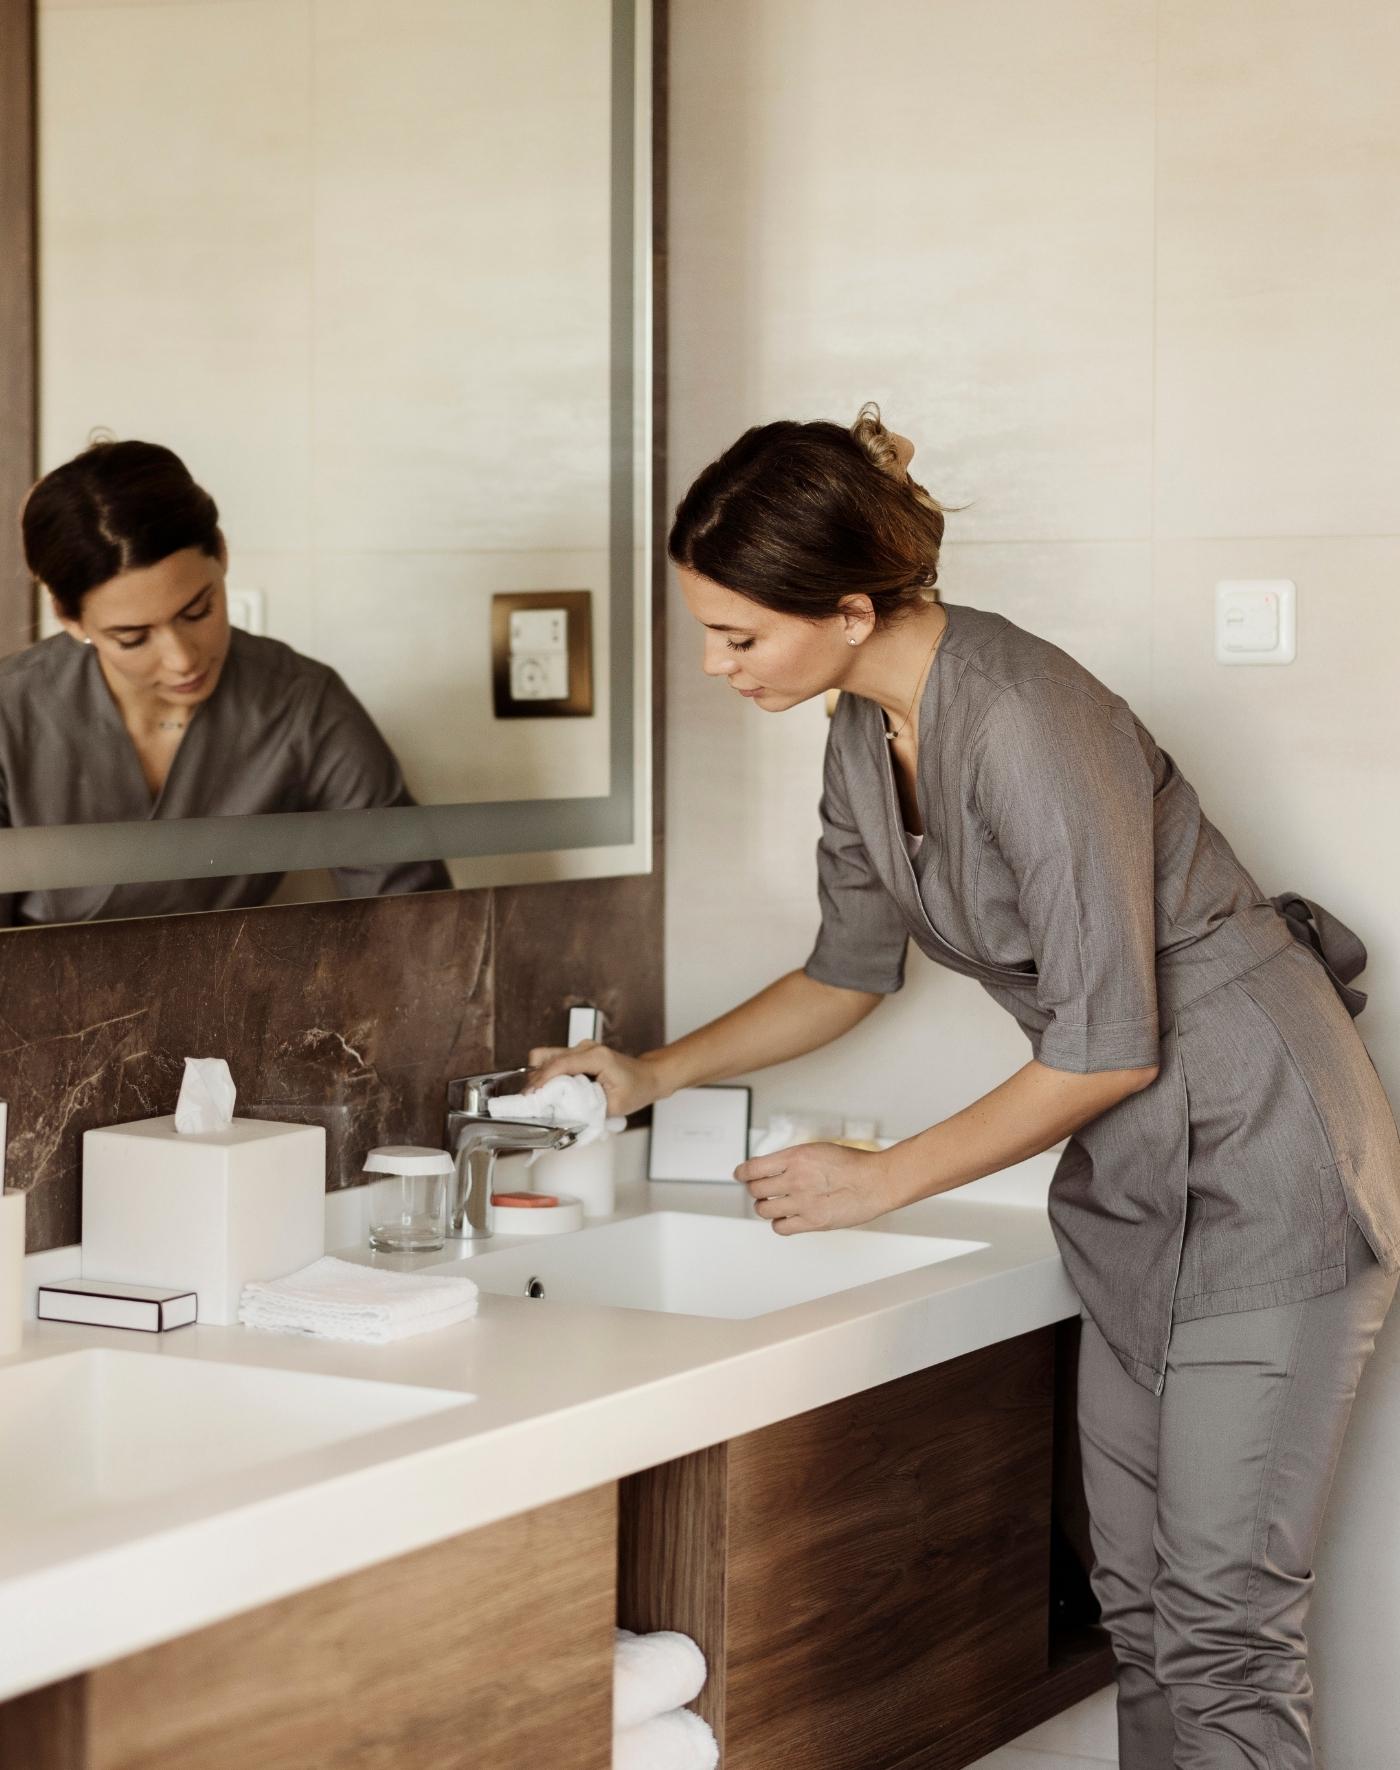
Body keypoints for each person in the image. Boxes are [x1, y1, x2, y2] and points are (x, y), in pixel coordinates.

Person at [529, 405, 1400, 1768]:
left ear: (854, 607)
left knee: (1226, 1625)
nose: (714, 665)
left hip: (1268, 1159)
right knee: (1147, 1611)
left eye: (741, 634)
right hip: (1133, 1181)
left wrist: (884, 1177)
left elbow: (1110, 1041)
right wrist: (651, 1069)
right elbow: (848, 968)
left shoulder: (1031, 716)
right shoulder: (865, 733)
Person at [1, 439, 449, 923]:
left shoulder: (302, 704)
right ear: (71, 620)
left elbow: (411, 912)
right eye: (132, 638)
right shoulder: (9, 714)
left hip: (228, 989)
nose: (181, 660)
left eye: (198, 611)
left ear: (222, 554)